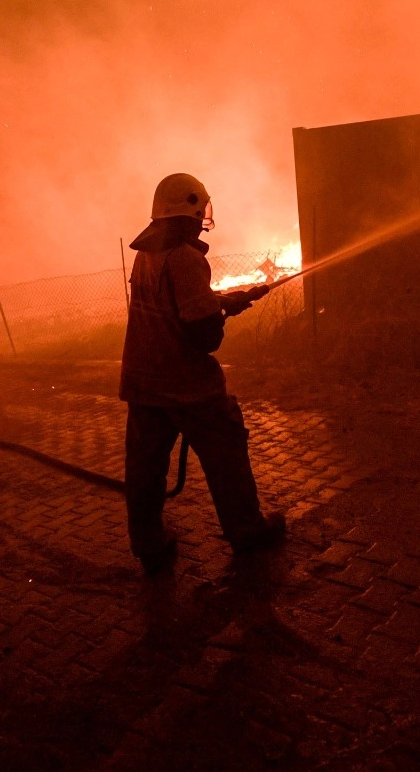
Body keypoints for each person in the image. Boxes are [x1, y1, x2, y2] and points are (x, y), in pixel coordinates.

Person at [120, 173, 283, 573]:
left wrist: (222, 300)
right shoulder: (187, 258)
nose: (202, 219)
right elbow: (203, 335)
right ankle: (246, 529)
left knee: (145, 466)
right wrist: (218, 314)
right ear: (189, 211)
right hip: (187, 386)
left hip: (143, 380)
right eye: (199, 211)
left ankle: (147, 542)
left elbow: (174, 304)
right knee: (226, 449)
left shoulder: (147, 254)